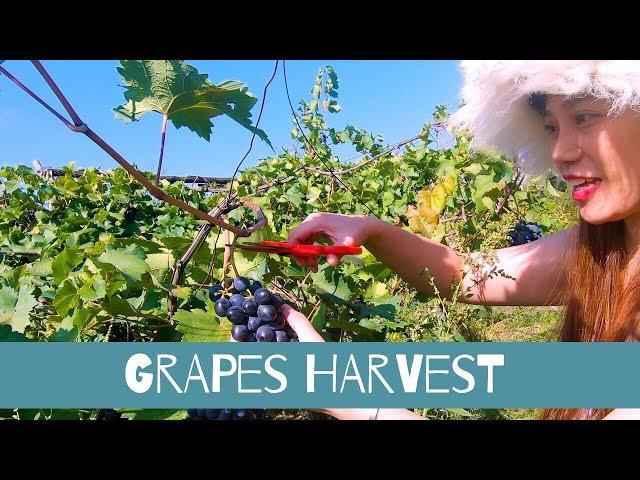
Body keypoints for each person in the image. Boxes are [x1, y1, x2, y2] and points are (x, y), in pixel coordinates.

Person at [269, 61, 640, 420]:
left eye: (584, 117)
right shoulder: (601, 251)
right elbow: (464, 275)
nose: (560, 152)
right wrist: (372, 230)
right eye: (551, 128)